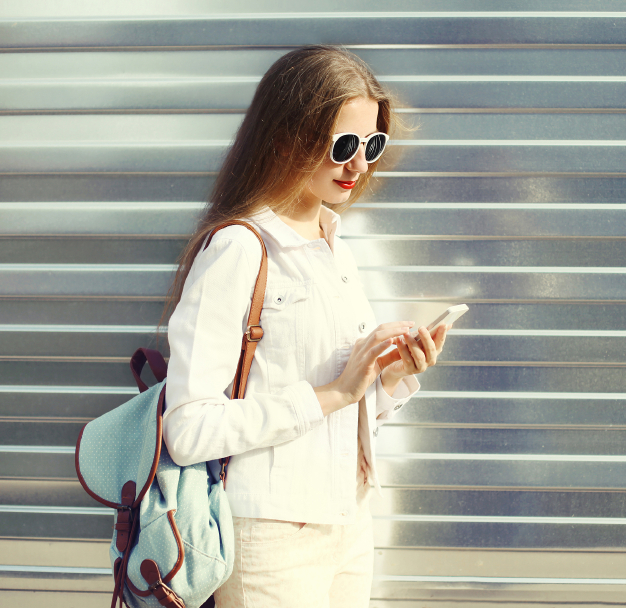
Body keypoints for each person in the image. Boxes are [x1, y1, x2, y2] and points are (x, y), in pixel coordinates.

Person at [161, 45, 451, 608]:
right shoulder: (240, 248)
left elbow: (342, 404)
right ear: (285, 136)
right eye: (344, 145)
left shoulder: (334, 243)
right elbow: (189, 427)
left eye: (373, 145)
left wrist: (386, 378)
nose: (360, 165)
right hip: (272, 535)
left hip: (349, 522)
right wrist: (333, 392)